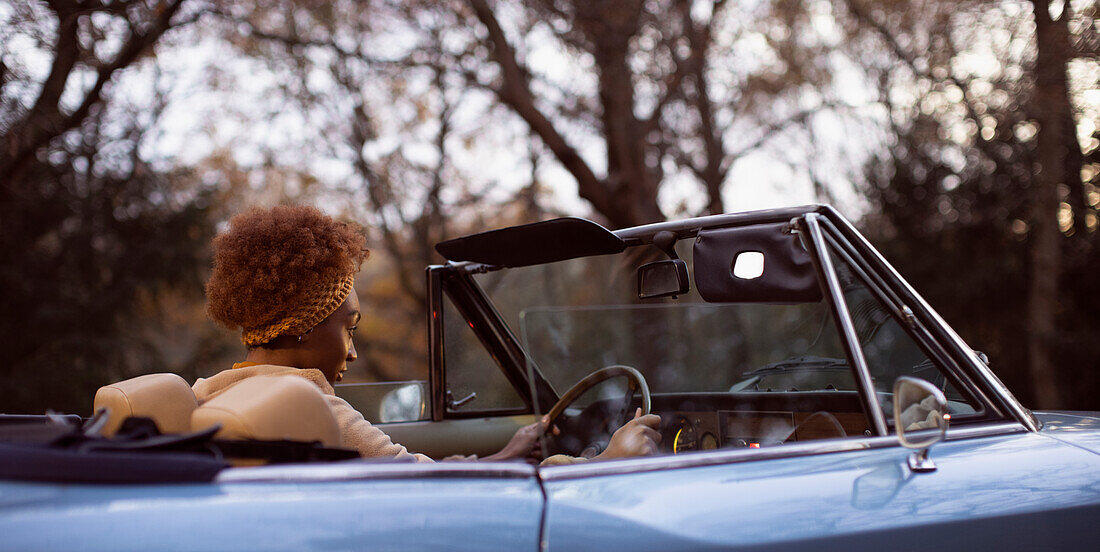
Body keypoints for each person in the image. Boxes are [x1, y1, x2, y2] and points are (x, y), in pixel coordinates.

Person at [195, 205, 660, 463]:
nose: (353, 354)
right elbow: (423, 488)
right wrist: (605, 464)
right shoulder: (307, 406)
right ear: (304, 326)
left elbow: (409, 478)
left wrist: (504, 454)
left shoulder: (212, 395)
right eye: (349, 329)